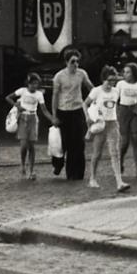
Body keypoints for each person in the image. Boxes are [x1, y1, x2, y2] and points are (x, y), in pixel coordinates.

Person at [83, 66, 129, 192]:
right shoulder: (96, 91)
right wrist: (88, 117)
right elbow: (85, 103)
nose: (111, 83)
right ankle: (92, 178)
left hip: (112, 123)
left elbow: (115, 106)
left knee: (115, 152)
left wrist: (117, 120)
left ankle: (119, 181)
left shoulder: (116, 91)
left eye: (113, 80)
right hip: (100, 124)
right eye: (109, 80)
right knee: (97, 153)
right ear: (103, 79)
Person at [51, 49, 93, 181]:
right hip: (63, 111)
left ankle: (78, 173)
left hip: (77, 110)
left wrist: (97, 97)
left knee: (79, 143)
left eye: (77, 61)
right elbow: (55, 96)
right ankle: (60, 165)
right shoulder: (59, 76)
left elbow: (90, 87)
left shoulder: (82, 74)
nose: (75, 64)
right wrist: (54, 115)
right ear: (66, 62)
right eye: (72, 62)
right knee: (65, 143)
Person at [11, 73, 50, 181]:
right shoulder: (22, 91)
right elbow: (8, 98)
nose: (34, 86)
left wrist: (52, 119)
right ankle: (23, 164)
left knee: (31, 146)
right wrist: (17, 106)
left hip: (33, 118)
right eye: (32, 84)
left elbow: (44, 109)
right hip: (23, 118)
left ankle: (31, 170)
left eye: (36, 84)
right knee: (24, 145)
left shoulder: (39, 94)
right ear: (28, 83)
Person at [115, 61, 137, 181]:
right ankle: (120, 163)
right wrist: (115, 114)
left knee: (136, 140)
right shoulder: (120, 84)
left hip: (134, 111)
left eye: (128, 72)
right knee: (124, 142)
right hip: (123, 111)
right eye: (124, 72)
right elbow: (115, 100)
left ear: (134, 73)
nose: (125, 74)